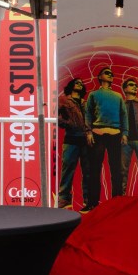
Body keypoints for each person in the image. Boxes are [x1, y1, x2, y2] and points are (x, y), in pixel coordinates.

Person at [82, 66, 124, 208]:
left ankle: (117, 202)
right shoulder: (93, 95)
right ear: (99, 77)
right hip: (97, 133)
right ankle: (92, 203)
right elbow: (88, 114)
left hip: (115, 134)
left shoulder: (118, 96)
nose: (110, 75)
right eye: (107, 73)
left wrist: (125, 133)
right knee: (94, 169)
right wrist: (88, 132)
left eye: (112, 74)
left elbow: (123, 115)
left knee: (116, 169)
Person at [56, 78, 90, 208]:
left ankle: (87, 199)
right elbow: (55, 115)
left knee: (87, 171)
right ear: (71, 85)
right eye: (77, 83)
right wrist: (67, 123)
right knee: (68, 170)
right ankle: (64, 198)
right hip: (71, 139)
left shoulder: (85, 103)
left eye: (81, 83)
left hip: (86, 140)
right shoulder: (63, 99)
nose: (80, 84)